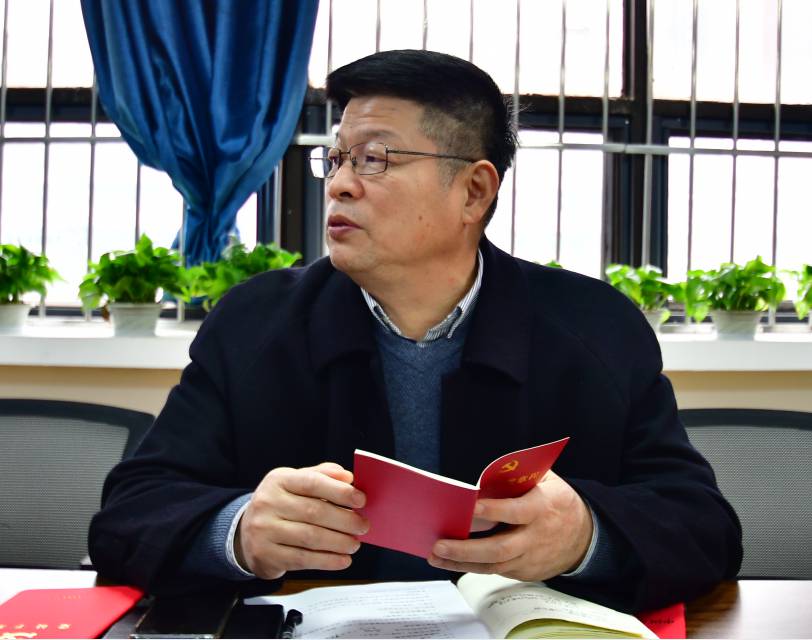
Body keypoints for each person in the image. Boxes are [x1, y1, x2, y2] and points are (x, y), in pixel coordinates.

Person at [88, 49, 742, 612]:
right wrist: (238, 532)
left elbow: (704, 528)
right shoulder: (254, 323)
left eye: (374, 159)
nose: (340, 185)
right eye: (335, 159)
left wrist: (586, 535)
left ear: (473, 192)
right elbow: (128, 514)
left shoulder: (596, 327)